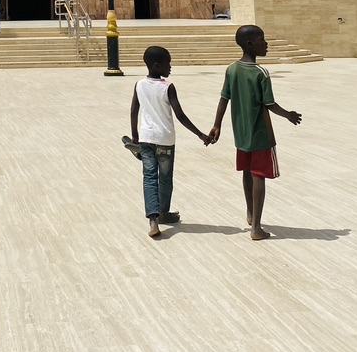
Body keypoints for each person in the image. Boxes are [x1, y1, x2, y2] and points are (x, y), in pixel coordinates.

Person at [209, 25, 302, 241]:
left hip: (240, 133)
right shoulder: (261, 73)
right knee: (259, 175)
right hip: (260, 134)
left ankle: (250, 214)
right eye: (262, 39)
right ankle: (257, 229)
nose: (266, 43)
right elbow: (269, 103)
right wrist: (288, 115)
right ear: (250, 44)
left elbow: (224, 98)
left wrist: (217, 125)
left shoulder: (232, 69)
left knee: (247, 171)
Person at [127, 45, 211, 239]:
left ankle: (153, 219)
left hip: (146, 139)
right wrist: (201, 135)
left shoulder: (139, 84)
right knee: (164, 179)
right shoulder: (168, 87)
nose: (170, 67)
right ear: (157, 65)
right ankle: (163, 212)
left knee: (149, 178)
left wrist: (135, 136)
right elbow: (180, 115)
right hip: (165, 141)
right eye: (168, 63)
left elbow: (133, 110)